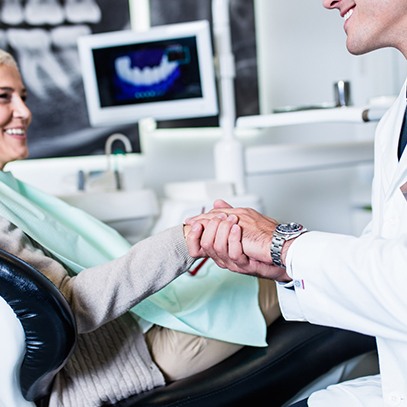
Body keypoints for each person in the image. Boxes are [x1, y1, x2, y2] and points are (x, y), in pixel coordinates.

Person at [0, 49, 281, 407]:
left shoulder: (9, 190)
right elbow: (71, 303)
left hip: (129, 334)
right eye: (4, 97)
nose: (25, 112)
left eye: (23, 97)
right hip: (126, 358)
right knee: (287, 278)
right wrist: (187, 239)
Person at [185, 0, 407, 406]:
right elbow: (381, 255)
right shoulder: (395, 121)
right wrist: (282, 265)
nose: (328, 1)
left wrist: (286, 244)